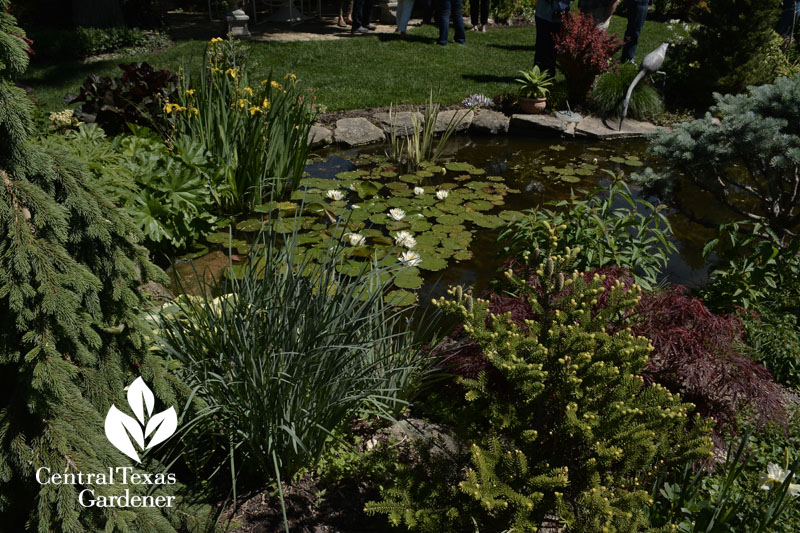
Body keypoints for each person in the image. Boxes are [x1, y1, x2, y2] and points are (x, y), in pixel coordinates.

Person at [534, 0, 569, 78]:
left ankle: (550, 76)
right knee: (542, 48)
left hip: (560, 16)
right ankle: (538, 79)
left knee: (556, 49)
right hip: (543, 15)